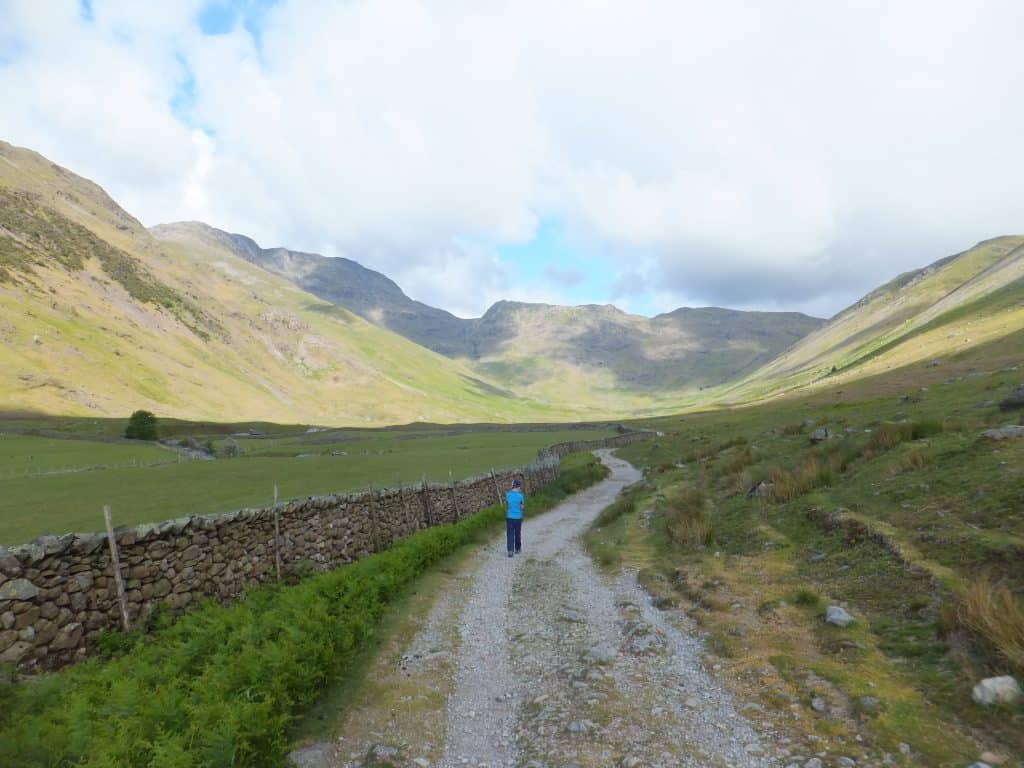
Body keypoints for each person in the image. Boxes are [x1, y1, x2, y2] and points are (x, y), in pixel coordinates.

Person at [505, 477, 525, 557]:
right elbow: (522, 507)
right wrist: (521, 511)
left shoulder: (508, 495)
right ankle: (517, 548)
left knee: (510, 534)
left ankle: (510, 550)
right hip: (518, 517)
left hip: (509, 517)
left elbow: (507, 505)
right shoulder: (521, 496)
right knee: (517, 533)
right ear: (518, 487)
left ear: (513, 486)